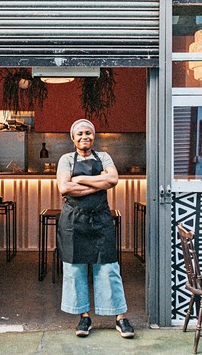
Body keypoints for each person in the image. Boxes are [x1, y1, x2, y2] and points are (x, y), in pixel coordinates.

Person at [56, 119, 135, 339]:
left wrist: (80, 179)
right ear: (73, 138)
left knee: (108, 267)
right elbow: (64, 187)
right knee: (75, 269)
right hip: (73, 221)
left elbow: (114, 179)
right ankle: (84, 317)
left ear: (94, 136)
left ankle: (120, 317)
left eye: (88, 133)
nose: (84, 137)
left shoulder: (104, 157)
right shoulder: (65, 159)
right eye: (80, 133)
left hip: (101, 219)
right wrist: (99, 181)